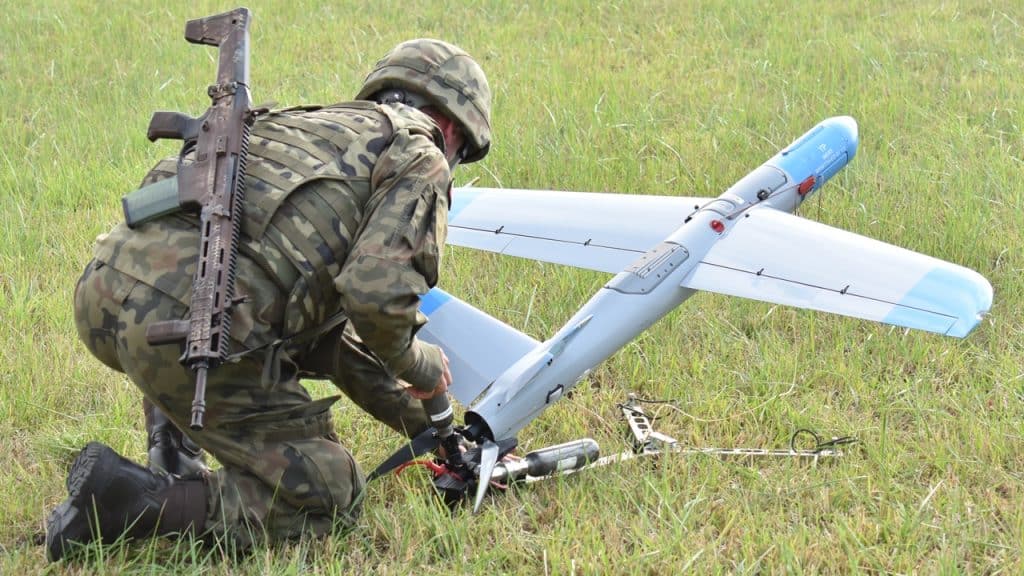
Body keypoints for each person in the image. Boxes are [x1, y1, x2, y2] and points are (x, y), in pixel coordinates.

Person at [45, 38, 492, 562]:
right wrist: (420, 364)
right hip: (185, 322)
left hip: (103, 293)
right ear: (454, 129)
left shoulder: (308, 122)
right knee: (329, 490)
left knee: (260, 318)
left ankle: (172, 452)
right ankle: (128, 500)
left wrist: (433, 430)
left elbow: (331, 340)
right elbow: (376, 300)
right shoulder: (420, 157)